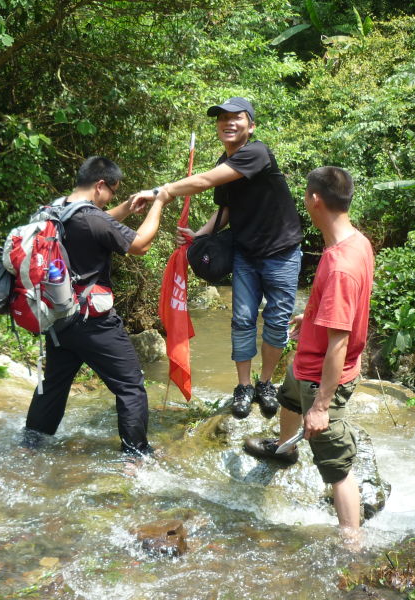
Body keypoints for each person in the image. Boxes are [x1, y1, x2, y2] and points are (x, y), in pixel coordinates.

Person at [131, 97, 303, 419]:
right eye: (222, 118)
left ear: (251, 126)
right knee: (241, 320)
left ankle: (265, 383)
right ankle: (243, 386)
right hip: (246, 254)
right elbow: (225, 210)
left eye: (236, 117)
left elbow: (205, 180)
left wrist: (162, 191)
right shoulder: (225, 161)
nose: (228, 122)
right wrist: (201, 234)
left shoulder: (257, 153)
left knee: (277, 322)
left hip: (282, 253)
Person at [243, 167, 374, 538]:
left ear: (315, 200)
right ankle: (284, 449)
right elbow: (343, 311)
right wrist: (312, 316)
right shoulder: (356, 243)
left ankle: (353, 542)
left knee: (337, 469)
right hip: (306, 363)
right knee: (287, 399)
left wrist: (321, 406)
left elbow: (339, 341)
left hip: (323, 377)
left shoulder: (340, 266)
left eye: (304, 194)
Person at [21, 156, 173, 455]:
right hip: (93, 321)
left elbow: (99, 223)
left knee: (53, 385)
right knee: (131, 386)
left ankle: (31, 445)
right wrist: (159, 203)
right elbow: (140, 245)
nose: (111, 199)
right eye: (113, 193)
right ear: (101, 185)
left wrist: (129, 206)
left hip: (57, 317)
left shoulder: (53, 210)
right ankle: (136, 455)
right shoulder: (91, 218)